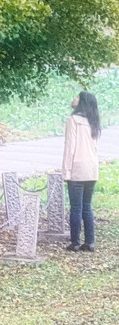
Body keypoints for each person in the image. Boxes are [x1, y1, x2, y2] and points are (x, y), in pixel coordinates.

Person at [62, 90, 101, 252]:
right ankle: (90, 242)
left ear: (82, 101)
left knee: (76, 208)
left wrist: (66, 171)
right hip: (91, 169)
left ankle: (75, 242)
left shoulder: (73, 120)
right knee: (87, 206)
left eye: (78, 96)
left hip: (77, 168)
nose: (74, 98)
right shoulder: (94, 121)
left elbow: (69, 147)